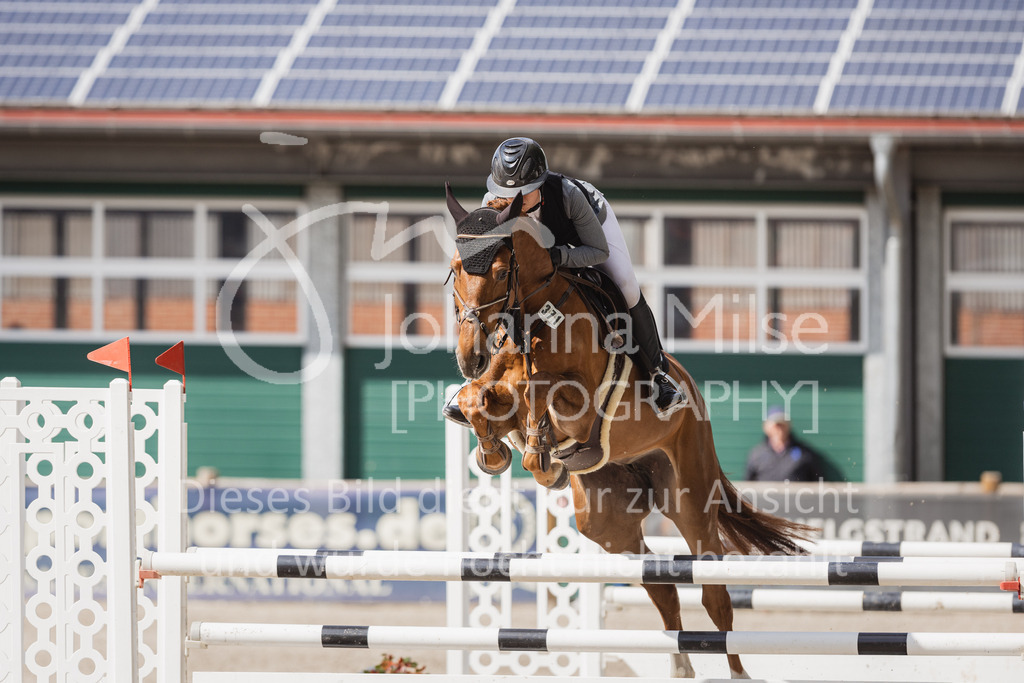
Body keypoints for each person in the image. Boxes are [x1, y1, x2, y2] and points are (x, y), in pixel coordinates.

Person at [444, 137, 682, 425]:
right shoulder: (494, 208)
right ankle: (482, 382)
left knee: (627, 286)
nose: (511, 203)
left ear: (539, 186)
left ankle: (658, 375)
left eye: (522, 194)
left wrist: (556, 257)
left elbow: (597, 251)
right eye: (505, 194)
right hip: (542, 254)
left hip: (585, 232)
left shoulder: (569, 196)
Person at [744, 406, 827, 482]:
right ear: (766, 427)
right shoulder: (757, 454)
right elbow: (748, 483)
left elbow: (817, 481)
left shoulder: (804, 453)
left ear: (789, 426)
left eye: (782, 425)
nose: (779, 430)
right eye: (776, 425)